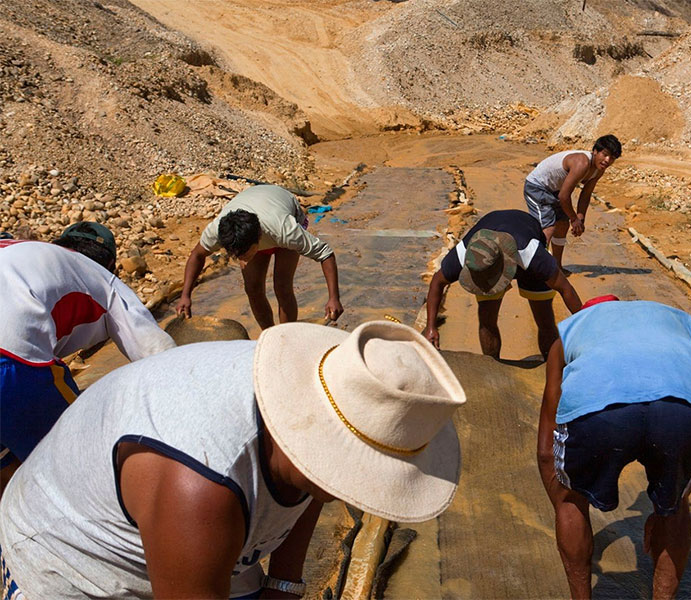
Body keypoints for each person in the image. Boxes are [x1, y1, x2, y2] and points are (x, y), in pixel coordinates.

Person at [0, 320, 466, 599]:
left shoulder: (321, 402)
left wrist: (284, 585)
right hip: (75, 558)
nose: (364, 489)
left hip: (200, 528)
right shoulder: (199, 486)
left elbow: (313, 484)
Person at [537, 296, 691, 600]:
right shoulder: (669, 319)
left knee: (571, 499)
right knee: (675, 508)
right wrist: (668, 507)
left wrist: (566, 505)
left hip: (600, 413)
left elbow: (545, 447)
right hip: (683, 410)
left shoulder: (572, 330)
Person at [0, 223, 176, 494]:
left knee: (7, 460)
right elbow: (163, 361)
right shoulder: (104, 280)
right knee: (84, 468)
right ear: (111, 265)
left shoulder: (19, 249)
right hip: (11, 359)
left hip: (13, 358)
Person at [176, 184, 343, 329]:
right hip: (254, 203)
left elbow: (325, 254)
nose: (241, 259)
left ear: (258, 239)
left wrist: (333, 298)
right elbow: (197, 255)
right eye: (236, 255)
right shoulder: (218, 231)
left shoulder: (285, 230)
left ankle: (285, 335)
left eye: (245, 254)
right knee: (253, 289)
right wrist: (185, 295)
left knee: (282, 286)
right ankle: (269, 334)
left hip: (283, 208)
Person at [423, 209, 583, 359]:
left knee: (544, 318)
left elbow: (566, 289)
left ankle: (550, 364)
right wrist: (431, 327)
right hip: (492, 247)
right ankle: (492, 366)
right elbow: (437, 282)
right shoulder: (467, 254)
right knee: (486, 318)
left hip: (524, 246)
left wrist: (588, 327)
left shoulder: (532, 255)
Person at [524, 134, 622, 270]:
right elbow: (564, 196)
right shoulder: (582, 163)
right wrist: (574, 218)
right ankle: (537, 269)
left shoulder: (598, 170)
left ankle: (556, 267)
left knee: (562, 225)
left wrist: (580, 219)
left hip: (556, 190)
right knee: (548, 228)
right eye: (605, 154)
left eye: (612, 158)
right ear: (595, 151)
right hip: (537, 187)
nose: (607, 160)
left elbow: (586, 195)